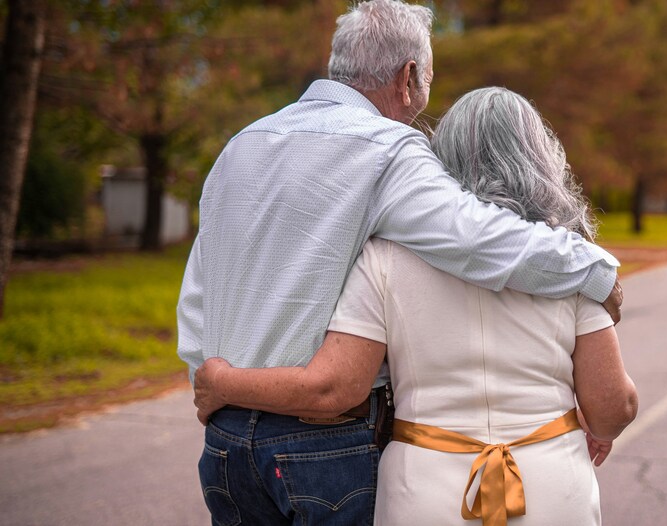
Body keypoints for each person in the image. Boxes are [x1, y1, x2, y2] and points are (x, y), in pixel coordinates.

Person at [177, 1, 623, 524]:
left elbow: (200, 289)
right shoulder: (390, 149)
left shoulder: (242, 145)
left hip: (227, 442)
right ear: (409, 77)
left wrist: (210, 385)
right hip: (323, 444)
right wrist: (594, 269)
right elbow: (477, 239)